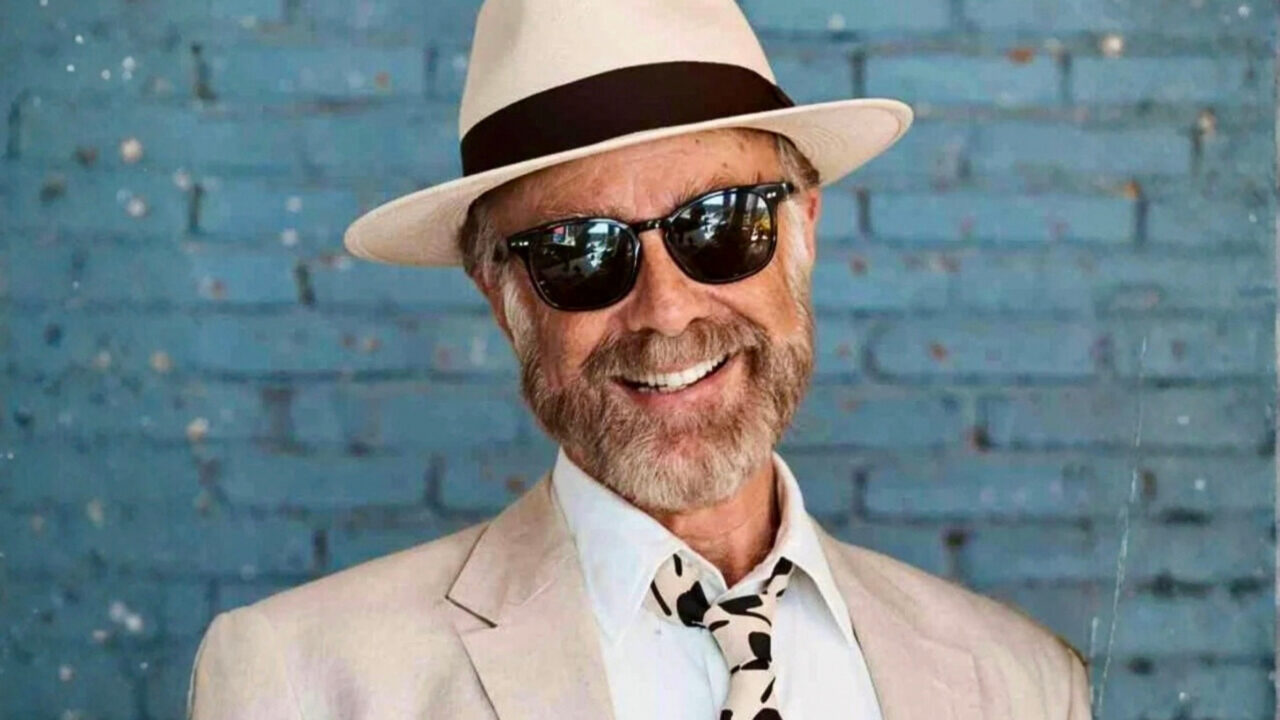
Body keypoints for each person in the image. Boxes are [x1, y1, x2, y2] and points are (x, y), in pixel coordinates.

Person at [187, 0, 1093, 718]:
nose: (665, 314)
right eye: (578, 251)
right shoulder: (301, 684)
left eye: (721, 223)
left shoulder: (1018, 685)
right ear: (500, 299)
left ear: (802, 229)